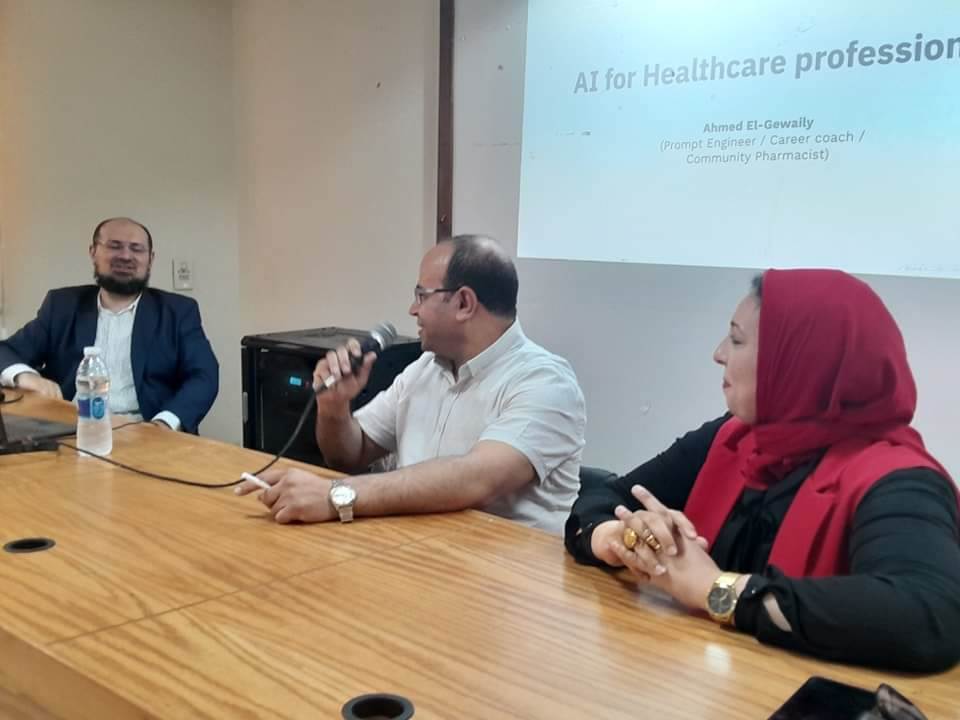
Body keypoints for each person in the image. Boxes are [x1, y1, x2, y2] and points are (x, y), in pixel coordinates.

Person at [565, 269, 960, 672]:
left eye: (737, 340)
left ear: (798, 363)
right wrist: (621, 539)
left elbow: (927, 614)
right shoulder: (734, 437)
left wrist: (716, 589)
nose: (718, 353)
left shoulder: (900, 481)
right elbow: (603, 496)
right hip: (705, 682)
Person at [237, 234, 585, 533]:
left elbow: (476, 478)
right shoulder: (424, 370)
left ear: (464, 303)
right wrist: (334, 407)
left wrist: (337, 496)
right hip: (412, 553)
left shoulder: (546, 383)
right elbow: (350, 454)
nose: (412, 310)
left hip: (506, 577)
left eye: (421, 296)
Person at [0, 217, 219, 433]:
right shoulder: (62, 305)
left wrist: (165, 423)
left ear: (150, 259)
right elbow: (6, 351)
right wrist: (25, 376)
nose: (125, 256)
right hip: (71, 428)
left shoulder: (178, 311)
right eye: (114, 246)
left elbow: (204, 376)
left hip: (148, 430)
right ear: (93, 252)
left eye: (136, 249)